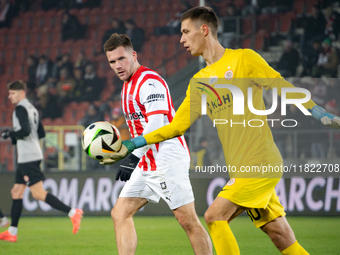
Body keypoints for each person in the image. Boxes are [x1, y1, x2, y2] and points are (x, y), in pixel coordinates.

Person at [102, 7, 340, 255]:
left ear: (204, 30)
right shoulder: (199, 82)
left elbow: (282, 86)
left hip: (260, 162)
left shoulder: (244, 59)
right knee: (281, 236)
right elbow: (175, 127)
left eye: (185, 32)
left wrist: (317, 111)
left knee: (214, 215)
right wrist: (135, 143)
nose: (181, 39)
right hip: (240, 167)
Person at [103, 33, 212, 255]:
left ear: (134, 55)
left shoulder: (149, 82)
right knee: (120, 213)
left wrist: (133, 156)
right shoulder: (127, 86)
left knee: (187, 221)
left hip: (167, 158)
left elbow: (155, 124)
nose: (117, 66)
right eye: (112, 62)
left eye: (121, 59)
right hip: (148, 160)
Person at [0, 80, 83, 242]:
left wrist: (9, 134)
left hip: (28, 157)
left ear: (21, 93)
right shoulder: (33, 109)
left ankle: (73, 212)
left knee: (38, 193)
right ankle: (12, 231)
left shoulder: (20, 109)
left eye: (12, 93)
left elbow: (25, 130)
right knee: (16, 192)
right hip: (30, 154)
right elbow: (41, 133)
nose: (9, 97)